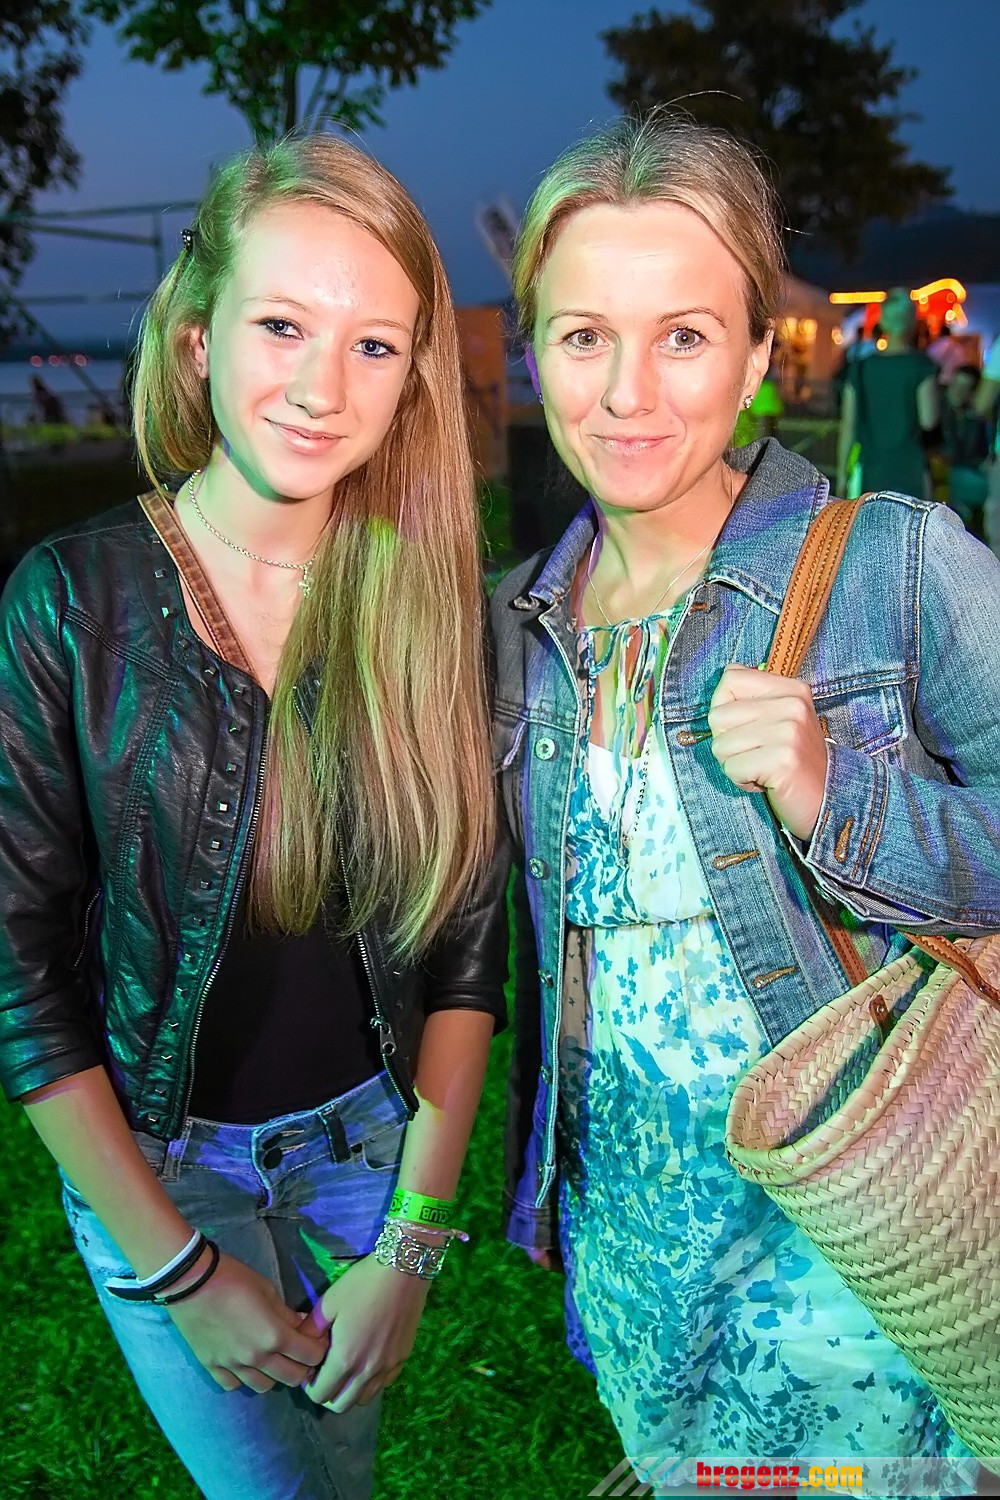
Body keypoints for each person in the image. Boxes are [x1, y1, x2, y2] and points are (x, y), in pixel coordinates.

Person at [490, 110, 1000, 1484]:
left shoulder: (897, 567)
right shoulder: (512, 629)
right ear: (533, 351)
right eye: (584, 335)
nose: (628, 393)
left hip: (863, 1238)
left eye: (685, 335)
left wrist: (843, 797)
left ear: (761, 356)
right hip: (640, 1253)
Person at [0, 133, 507, 1500]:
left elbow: (467, 946)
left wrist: (412, 1241)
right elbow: (21, 967)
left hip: (373, 1151)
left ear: (411, 380)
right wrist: (175, 1264)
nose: (322, 387)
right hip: (163, 1168)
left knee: (345, 1468)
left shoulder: (428, 607)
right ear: (197, 339)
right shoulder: (70, 603)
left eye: (373, 346)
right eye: (282, 324)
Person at [836, 286, 939, 500]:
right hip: (911, 470)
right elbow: (928, 420)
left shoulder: (860, 368)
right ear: (912, 322)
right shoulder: (921, 367)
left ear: (882, 321)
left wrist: (842, 477)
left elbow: (848, 427)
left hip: (871, 469)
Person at [940, 362, 992, 537]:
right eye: (956, 385)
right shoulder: (939, 412)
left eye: (965, 388)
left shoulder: (976, 419)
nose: (958, 392)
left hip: (968, 475)